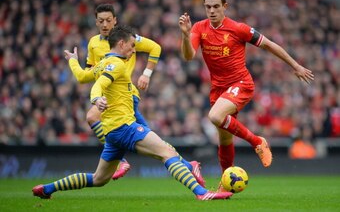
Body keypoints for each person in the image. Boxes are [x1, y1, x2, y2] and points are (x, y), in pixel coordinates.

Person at [32, 25, 232, 200]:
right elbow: (98, 86)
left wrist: (73, 61)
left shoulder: (102, 63)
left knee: (99, 179)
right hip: (124, 126)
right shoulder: (117, 64)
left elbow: (83, 76)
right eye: (131, 45)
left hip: (111, 132)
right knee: (167, 152)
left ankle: (47, 188)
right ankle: (201, 192)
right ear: (121, 43)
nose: (133, 49)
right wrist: (96, 98)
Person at [178, 0, 314, 189]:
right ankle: (226, 181)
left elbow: (269, 45)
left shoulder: (238, 28)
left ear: (225, 7)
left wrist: (295, 66)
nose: (212, 11)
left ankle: (257, 141)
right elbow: (188, 56)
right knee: (224, 138)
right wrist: (186, 35)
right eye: (208, 7)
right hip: (219, 89)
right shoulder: (199, 27)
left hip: (240, 84)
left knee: (215, 117)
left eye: (216, 6)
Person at [70, 3, 205, 185]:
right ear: (95, 22)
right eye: (101, 21)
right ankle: (189, 165)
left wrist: (146, 74)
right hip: (108, 96)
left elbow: (155, 48)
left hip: (125, 95)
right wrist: (73, 62)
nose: (105, 25)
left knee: (92, 116)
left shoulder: (127, 39)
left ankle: (121, 162)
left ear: (115, 20)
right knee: (154, 142)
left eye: (108, 20)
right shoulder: (93, 43)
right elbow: (89, 75)